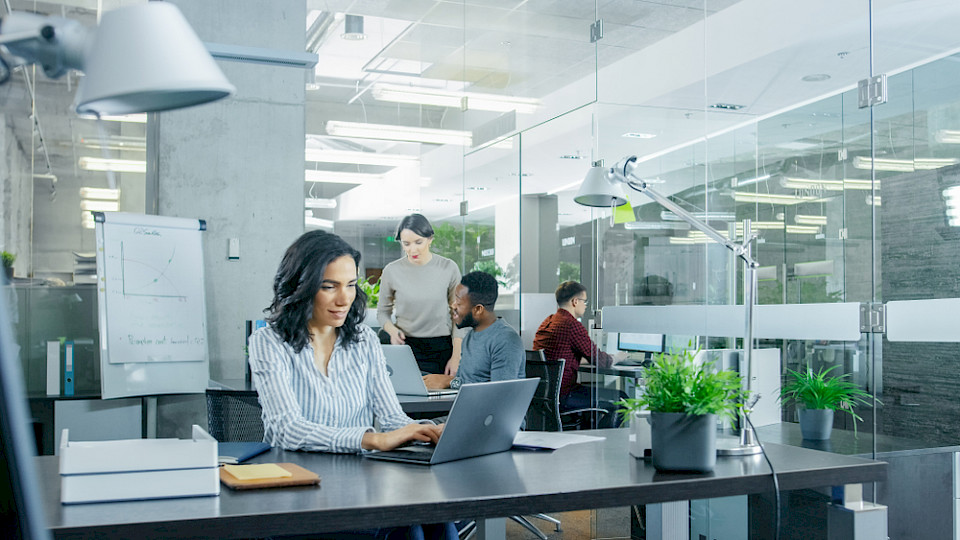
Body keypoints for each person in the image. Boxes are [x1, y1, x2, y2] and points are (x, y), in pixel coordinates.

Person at [248, 230, 455, 540]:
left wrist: (425, 431)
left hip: (361, 481)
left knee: (438, 515)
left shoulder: (363, 340)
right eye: (329, 287)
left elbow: (392, 418)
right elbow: (285, 428)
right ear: (300, 287)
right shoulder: (269, 342)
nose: (344, 299)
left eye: (350, 285)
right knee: (409, 528)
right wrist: (372, 439)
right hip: (301, 491)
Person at [533, 281, 628, 429]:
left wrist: (579, 360)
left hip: (546, 396)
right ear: (575, 301)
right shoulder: (571, 324)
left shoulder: (549, 321)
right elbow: (601, 361)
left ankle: (591, 439)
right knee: (622, 398)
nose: (585, 305)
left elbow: (557, 357)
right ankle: (604, 444)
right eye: (585, 301)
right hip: (565, 396)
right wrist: (618, 357)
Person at [377, 214, 464, 375]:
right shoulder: (392, 270)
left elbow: (458, 315)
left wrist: (456, 356)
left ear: (430, 239)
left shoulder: (448, 268)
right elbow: (383, 313)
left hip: (441, 349)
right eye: (406, 244)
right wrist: (392, 331)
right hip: (405, 347)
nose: (412, 249)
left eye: (418, 242)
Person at [422, 271, 524, 391]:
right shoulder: (470, 336)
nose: (453, 306)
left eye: (459, 303)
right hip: (465, 405)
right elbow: (463, 381)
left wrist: (450, 381)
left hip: (489, 409)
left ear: (478, 309)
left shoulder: (505, 340)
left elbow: (500, 392)